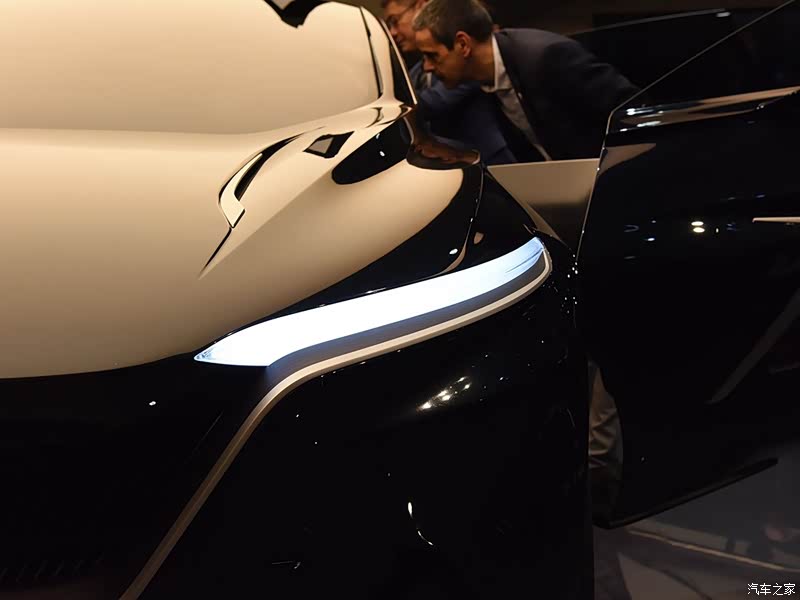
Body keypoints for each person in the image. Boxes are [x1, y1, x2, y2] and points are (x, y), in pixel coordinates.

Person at [412, 0, 639, 161]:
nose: (427, 67)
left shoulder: (546, 56)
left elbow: (631, 110)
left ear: (463, 44)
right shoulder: (481, 76)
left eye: (432, 56)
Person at [382, 0, 516, 165]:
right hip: (456, 160)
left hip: (492, 158)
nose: (392, 33)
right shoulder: (418, 70)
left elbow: (432, 103)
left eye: (395, 21)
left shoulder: (464, 56)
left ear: (421, 6)